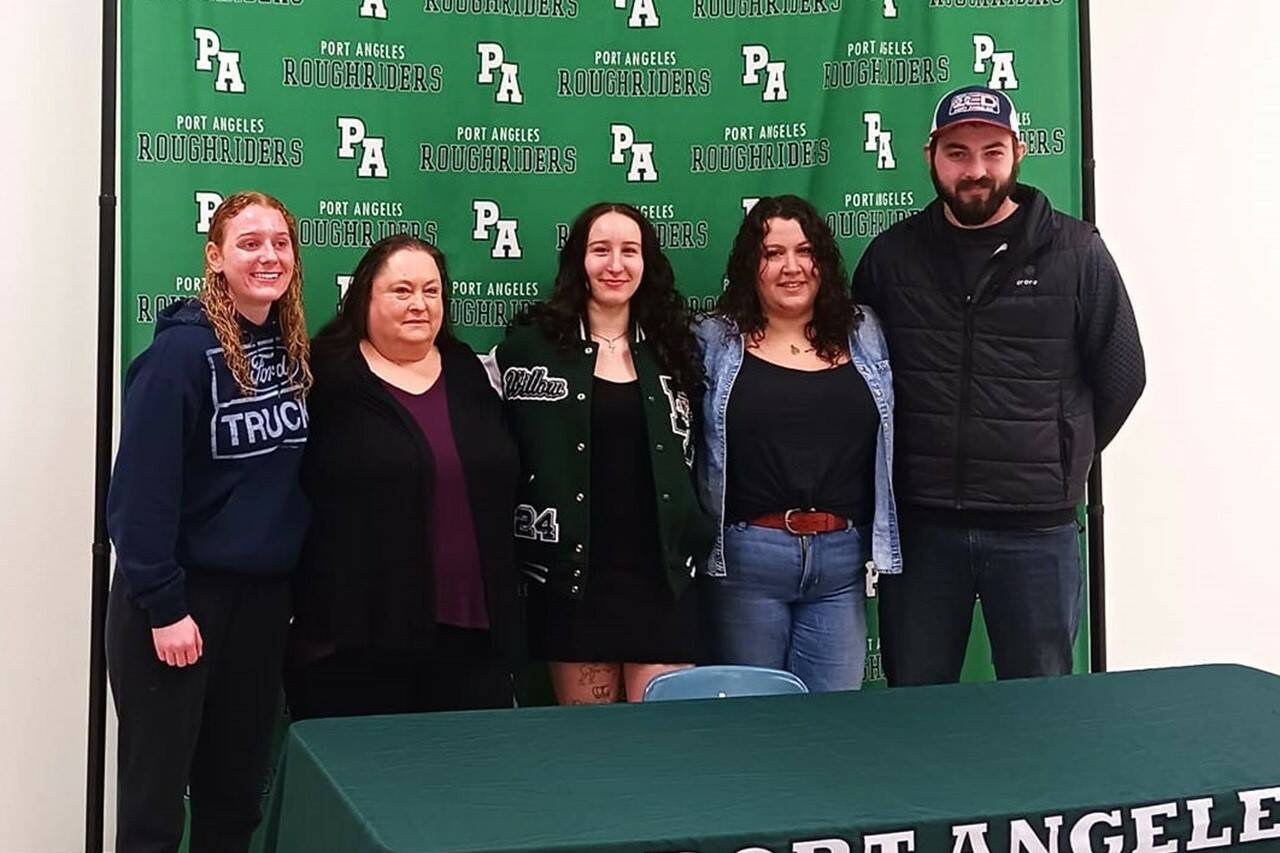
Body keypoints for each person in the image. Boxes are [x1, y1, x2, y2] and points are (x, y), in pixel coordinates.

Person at [853, 85, 1146, 686]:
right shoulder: (891, 258)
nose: (976, 170)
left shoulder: (1077, 252)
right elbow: (862, 384)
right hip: (923, 527)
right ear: (930, 156)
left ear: (1019, 152)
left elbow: (1122, 376)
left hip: (1036, 530)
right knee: (918, 707)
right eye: (958, 153)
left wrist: (1061, 455)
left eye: (992, 151)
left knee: (1038, 711)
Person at [106, 190, 311, 853]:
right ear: (216, 257)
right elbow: (137, 501)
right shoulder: (178, 359)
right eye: (250, 243)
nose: (268, 256)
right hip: (175, 605)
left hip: (258, 606)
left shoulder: (289, 350)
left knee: (233, 799)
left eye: (280, 243)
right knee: (154, 807)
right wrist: (165, 607)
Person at [286, 234, 522, 718]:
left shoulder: (465, 371)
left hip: (473, 635)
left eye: (431, 291)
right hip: (358, 643)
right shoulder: (323, 375)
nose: (419, 305)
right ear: (365, 297)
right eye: (402, 291)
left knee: (469, 782)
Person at [488, 202, 712, 704]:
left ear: (647, 262)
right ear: (577, 261)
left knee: (662, 742)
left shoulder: (675, 346)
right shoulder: (530, 348)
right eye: (600, 250)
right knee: (591, 747)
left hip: (663, 577)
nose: (615, 265)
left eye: (629, 251)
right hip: (574, 579)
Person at [695, 194, 901, 693]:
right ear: (751, 266)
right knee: (754, 726)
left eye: (805, 251)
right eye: (772, 254)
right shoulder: (712, 339)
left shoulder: (864, 332)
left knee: (830, 731)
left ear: (823, 261)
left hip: (842, 564)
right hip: (747, 561)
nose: (791, 267)